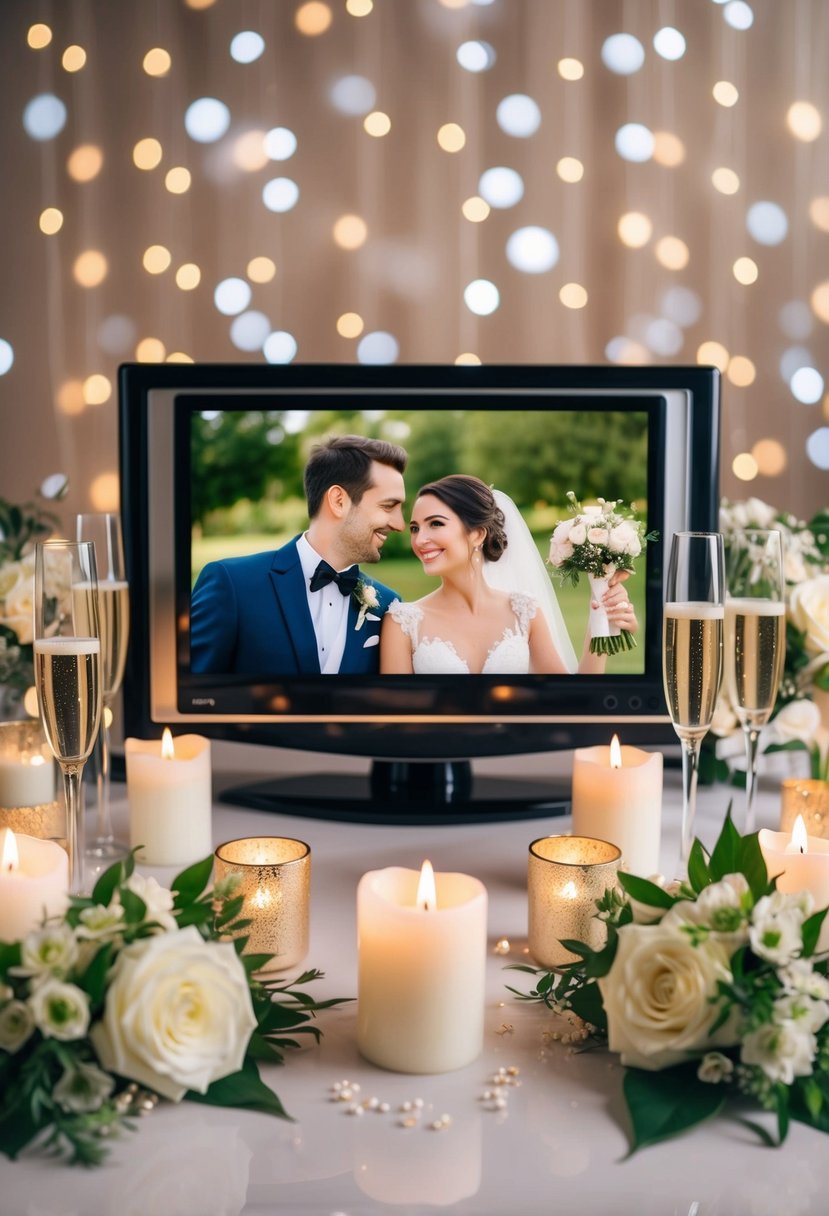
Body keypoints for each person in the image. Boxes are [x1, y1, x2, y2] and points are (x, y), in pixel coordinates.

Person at [190, 434, 407, 674]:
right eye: (388, 506)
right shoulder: (231, 584)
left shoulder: (389, 605)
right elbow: (187, 695)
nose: (399, 524)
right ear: (338, 501)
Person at [379, 475, 637, 675]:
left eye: (435, 523)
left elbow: (570, 702)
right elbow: (395, 718)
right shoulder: (402, 622)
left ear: (477, 534)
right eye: (414, 528)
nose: (420, 539)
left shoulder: (524, 611)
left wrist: (601, 623)